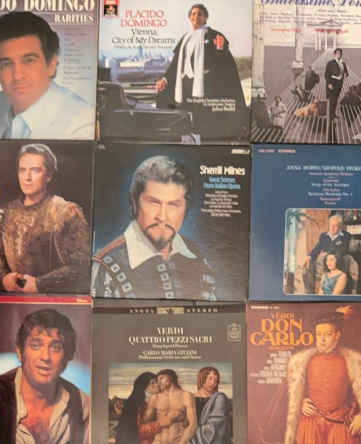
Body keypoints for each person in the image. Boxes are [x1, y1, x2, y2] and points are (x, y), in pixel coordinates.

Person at [91, 155, 217, 300]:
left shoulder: (198, 257)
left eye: (173, 205)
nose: (162, 217)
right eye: (154, 202)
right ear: (134, 203)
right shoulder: (105, 265)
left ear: (186, 209)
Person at [0, 309, 89, 444]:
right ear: (20, 352)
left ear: (66, 358)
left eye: (55, 348)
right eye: (36, 345)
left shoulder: (82, 403)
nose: (45, 357)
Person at [0, 11, 93, 139]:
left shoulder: (81, 124)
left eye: (29, 61)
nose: (17, 75)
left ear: (51, 65)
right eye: (7, 64)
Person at [283, 311, 361, 444]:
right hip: (311, 422)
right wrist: (301, 403)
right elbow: (292, 393)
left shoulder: (353, 361)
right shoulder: (301, 361)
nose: (322, 339)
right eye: (319, 334)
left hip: (341, 422)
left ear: (337, 335)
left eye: (328, 334)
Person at [0, 143, 90, 293]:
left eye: (35, 170)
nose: (27, 178)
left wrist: (40, 284)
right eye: (22, 170)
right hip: (13, 297)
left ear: (49, 176)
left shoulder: (65, 211)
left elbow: (81, 265)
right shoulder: (5, 211)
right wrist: (4, 277)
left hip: (51, 297)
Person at [155, 4, 246, 139]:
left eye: (200, 14)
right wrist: (165, 78)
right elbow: (175, 63)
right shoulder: (185, 38)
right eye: (193, 14)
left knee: (205, 117)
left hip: (205, 85)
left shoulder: (213, 35)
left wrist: (221, 49)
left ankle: (206, 140)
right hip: (185, 84)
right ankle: (188, 139)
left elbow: (223, 61)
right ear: (189, 17)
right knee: (186, 114)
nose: (196, 17)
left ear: (205, 17)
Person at [114, 372, 185, 444]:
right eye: (152, 383)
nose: (157, 385)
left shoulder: (160, 400)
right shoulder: (135, 404)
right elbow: (136, 432)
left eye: (156, 382)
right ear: (144, 387)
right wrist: (160, 424)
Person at [143, 369, 197, 444]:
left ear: (171, 378)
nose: (159, 382)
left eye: (161, 378)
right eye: (157, 380)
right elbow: (145, 422)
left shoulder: (186, 396)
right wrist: (164, 420)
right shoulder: (155, 397)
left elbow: (193, 425)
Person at [190, 367, 231, 444]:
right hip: (189, 439)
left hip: (212, 440)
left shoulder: (219, 398)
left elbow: (216, 425)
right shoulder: (190, 398)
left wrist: (191, 432)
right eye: (210, 379)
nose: (213, 383)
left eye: (216, 381)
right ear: (202, 379)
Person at [324, 48, 349, 123]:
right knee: (332, 100)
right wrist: (329, 84)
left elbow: (346, 72)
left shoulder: (343, 63)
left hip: (339, 84)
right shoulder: (330, 63)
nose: (339, 55)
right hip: (332, 83)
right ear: (335, 54)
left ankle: (333, 114)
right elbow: (326, 74)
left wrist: (346, 74)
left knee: (335, 99)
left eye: (340, 53)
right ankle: (331, 117)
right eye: (338, 53)